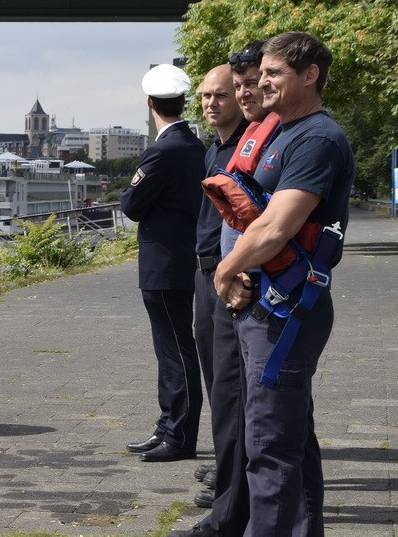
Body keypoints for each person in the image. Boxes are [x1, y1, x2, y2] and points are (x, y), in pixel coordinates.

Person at [213, 32, 354, 536]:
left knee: (269, 447)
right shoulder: (277, 131)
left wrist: (224, 270)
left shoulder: (316, 138)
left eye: (273, 73)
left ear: (310, 75)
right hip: (266, 307)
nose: (261, 81)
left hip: (285, 311)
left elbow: (276, 227)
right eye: (259, 73)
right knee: (290, 436)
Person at [180, 46, 267, 537]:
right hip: (208, 271)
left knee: (238, 389)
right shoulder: (213, 147)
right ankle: (229, 475)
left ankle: (234, 497)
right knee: (220, 381)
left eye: (227, 92)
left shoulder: (251, 143)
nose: (216, 101)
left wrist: (232, 269)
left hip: (232, 276)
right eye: (208, 95)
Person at [120, 64, 206, 462]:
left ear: (151, 103)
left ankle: (179, 435)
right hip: (183, 258)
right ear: (184, 102)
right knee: (172, 349)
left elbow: (131, 206)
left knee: (174, 350)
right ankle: (168, 424)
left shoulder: (162, 150)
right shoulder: (196, 147)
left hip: (164, 264)